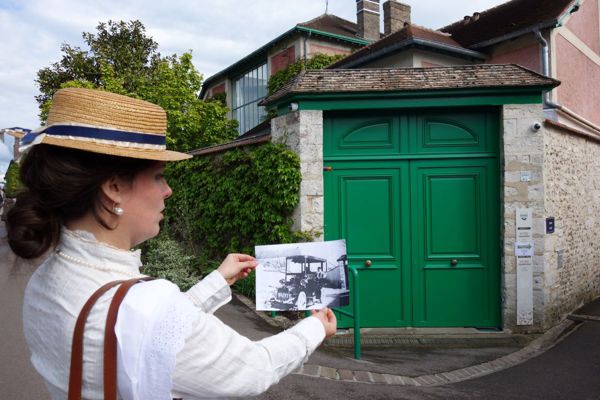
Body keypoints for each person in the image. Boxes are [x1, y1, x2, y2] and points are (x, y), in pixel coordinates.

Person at [6, 88, 336, 399]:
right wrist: (315, 329)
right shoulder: (143, 305)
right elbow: (254, 368)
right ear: (115, 187)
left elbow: (150, 334)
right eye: (159, 176)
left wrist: (217, 281)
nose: (168, 191)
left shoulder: (48, 278)